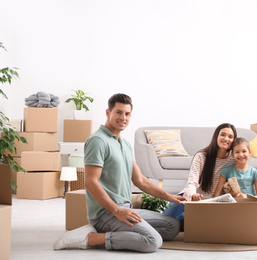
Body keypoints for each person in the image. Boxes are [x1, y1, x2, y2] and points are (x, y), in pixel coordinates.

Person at [53, 93, 187, 253]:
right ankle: (92, 237)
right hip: (105, 213)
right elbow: (90, 182)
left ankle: (120, 232)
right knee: (152, 241)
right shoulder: (98, 141)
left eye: (127, 113)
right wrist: (117, 211)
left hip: (126, 208)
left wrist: (169, 197)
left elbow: (140, 181)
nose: (123, 117)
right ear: (108, 112)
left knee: (172, 226)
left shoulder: (124, 143)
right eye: (118, 112)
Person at [162, 123, 237, 230]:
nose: (226, 139)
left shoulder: (233, 159)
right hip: (189, 199)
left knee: (180, 225)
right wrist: (193, 195)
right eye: (223, 135)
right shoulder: (202, 156)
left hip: (211, 204)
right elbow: (191, 182)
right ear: (216, 136)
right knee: (164, 222)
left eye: (230, 137)